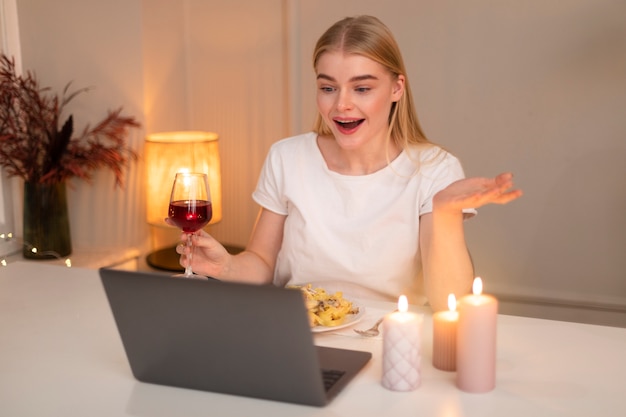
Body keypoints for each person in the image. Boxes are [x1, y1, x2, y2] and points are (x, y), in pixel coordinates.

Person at [175, 15, 522, 311]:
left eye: (362, 89)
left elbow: (449, 300)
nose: (342, 105)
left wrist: (444, 211)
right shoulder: (287, 157)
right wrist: (227, 267)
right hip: (297, 334)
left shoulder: (434, 169)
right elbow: (262, 263)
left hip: (391, 339)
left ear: (397, 88)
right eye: (329, 88)